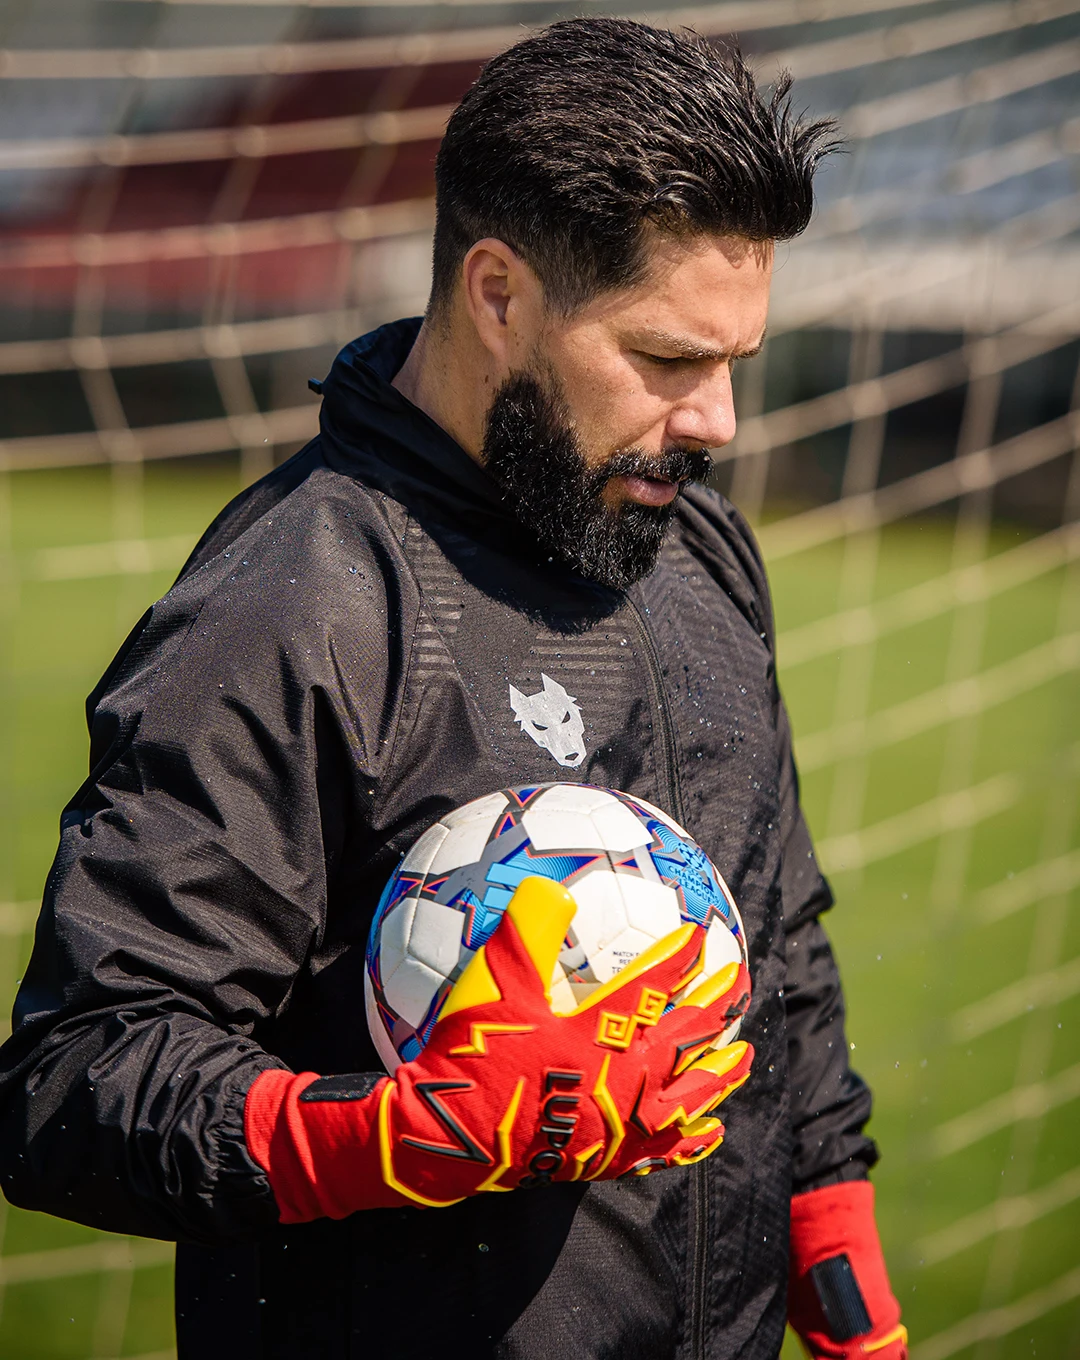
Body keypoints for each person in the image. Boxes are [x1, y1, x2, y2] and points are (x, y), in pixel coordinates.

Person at [0, 18, 907, 1360]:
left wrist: (836, 1254)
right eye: (668, 361)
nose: (717, 420)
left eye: (735, 366)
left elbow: (775, 944)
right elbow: (78, 1078)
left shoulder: (697, 547)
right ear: (498, 294)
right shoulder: (294, 603)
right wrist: (397, 1138)